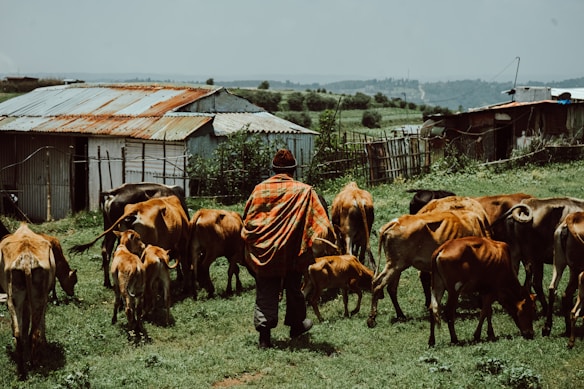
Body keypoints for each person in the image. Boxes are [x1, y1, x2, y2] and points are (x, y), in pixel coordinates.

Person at [241, 149, 332, 348]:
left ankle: (264, 338)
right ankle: (297, 326)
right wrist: (308, 240)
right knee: (294, 287)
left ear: (273, 169)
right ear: (294, 169)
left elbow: (247, 219)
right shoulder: (305, 191)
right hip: (293, 253)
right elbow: (321, 224)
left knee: (265, 289)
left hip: (265, 253)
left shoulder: (259, 190)